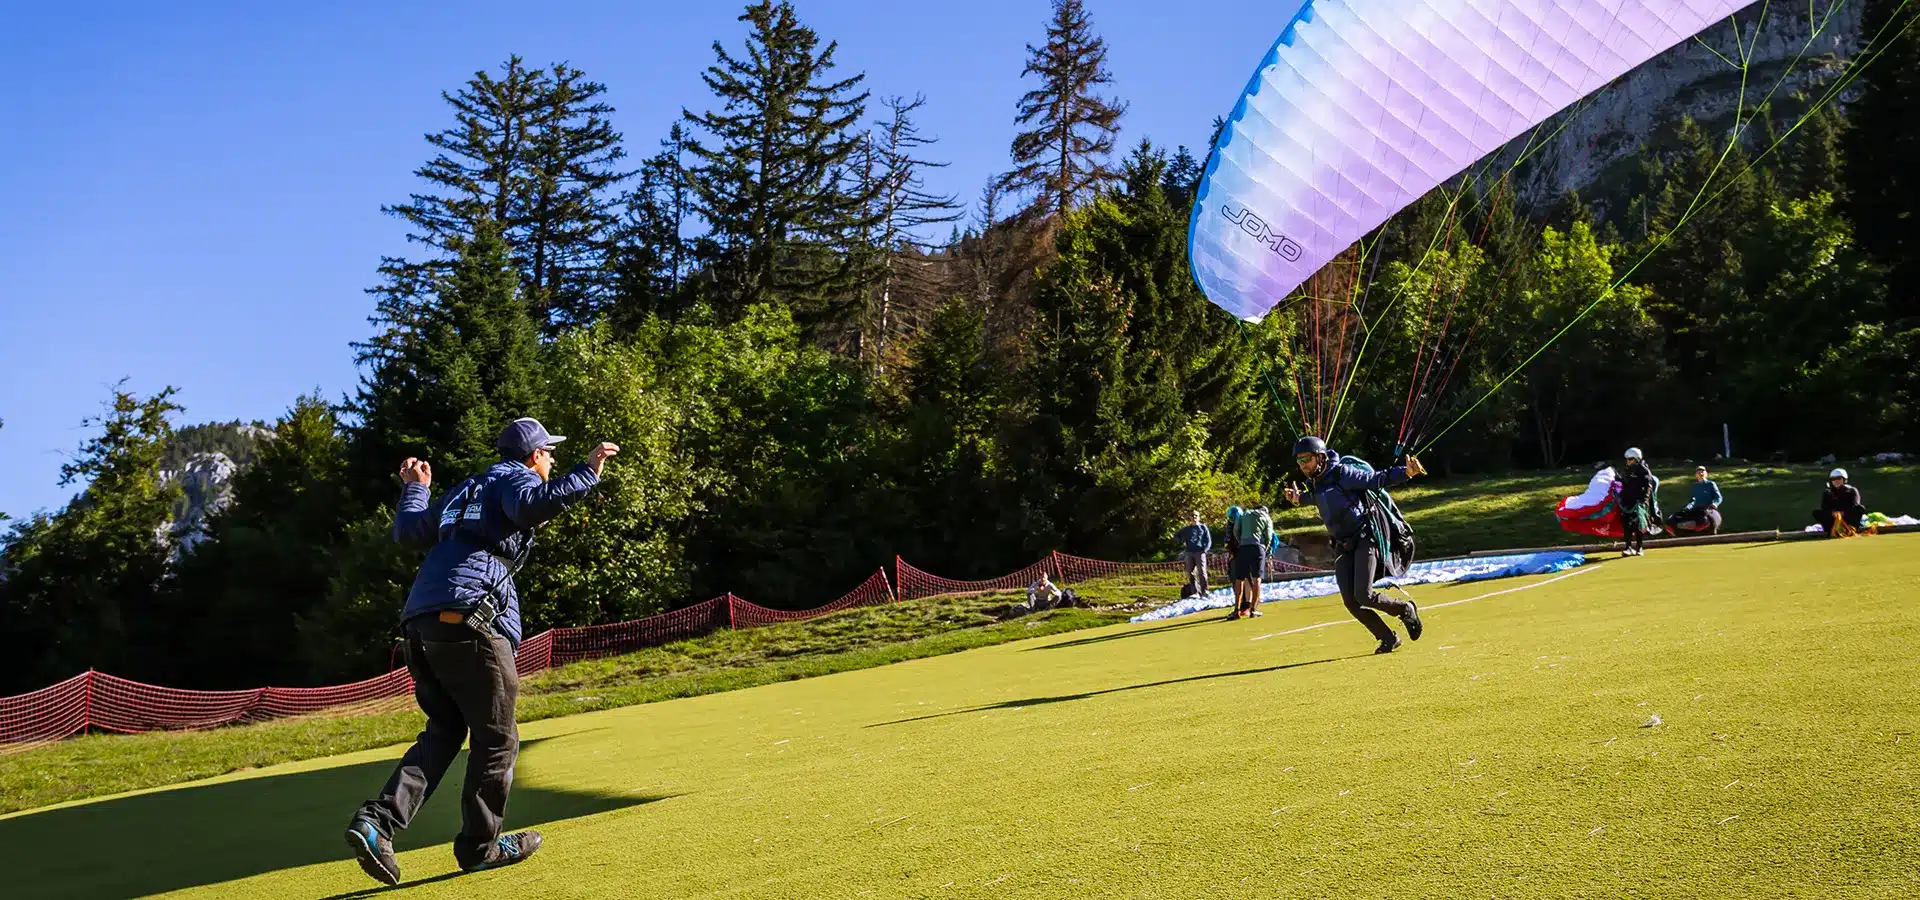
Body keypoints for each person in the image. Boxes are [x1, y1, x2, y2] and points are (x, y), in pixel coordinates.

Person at [345, 418, 619, 886]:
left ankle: (377, 824)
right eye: (549, 454)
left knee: (446, 729)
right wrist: (588, 471)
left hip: (422, 621)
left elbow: (410, 531)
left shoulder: (465, 490)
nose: (550, 461)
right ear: (534, 455)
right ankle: (480, 847)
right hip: (471, 618)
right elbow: (534, 506)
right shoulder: (518, 477)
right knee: (498, 737)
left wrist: (417, 487)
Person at [1283, 436, 1426, 654]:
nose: (1303, 466)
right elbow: (1315, 498)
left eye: (1306, 459)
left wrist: (1405, 472)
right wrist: (1298, 498)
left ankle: (1404, 609)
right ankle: (1388, 638)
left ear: (1320, 457)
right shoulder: (1316, 482)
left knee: (1364, 594)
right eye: (1300, 461)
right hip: (1342, 545)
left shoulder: (1342, 473)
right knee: (1351, 601)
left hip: (1364, 539)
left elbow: (1375, 479)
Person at [1228, 504, 1274, 619]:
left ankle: (1236, 610)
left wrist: (1241, 542)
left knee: (1240, 579)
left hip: (1243, 547)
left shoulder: (1244, 514)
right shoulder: (1266, 518)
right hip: (1258, 548)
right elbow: (1268, 536)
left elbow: (1236, 530)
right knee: (1257, 578)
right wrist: (1266, 551)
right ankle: (1253, 610)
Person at [1615, 448, 1660, 556]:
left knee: (1639, 525)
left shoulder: (1644, 471)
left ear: (1637, 459)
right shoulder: (1627, 470)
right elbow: (1624, 484)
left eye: (1630, 459)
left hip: (1639, 502)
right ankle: (1628, 547)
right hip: (1627, 501)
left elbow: (1648, 487)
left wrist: (1643, 500)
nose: (1628, 461)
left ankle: (1639, 548)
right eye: (1627, 459)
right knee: (1627, 524)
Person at [1667, 466, 1724, 535]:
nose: (1700, 473)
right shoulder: (1695, 486)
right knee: (1677, 517)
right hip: (1696, 509)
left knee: (1702, 517)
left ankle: (1703, 527)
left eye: (1702, 472)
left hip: (1708, 509)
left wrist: (1715, 504)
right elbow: (1693, 500)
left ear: (1706, 474)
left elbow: (1718, 497)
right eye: (1698, 472)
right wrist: (1687, 508)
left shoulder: (1711, 484)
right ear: (1696, 475)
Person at [1814, 468, 1866, 535]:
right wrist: (1833, 513)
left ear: (1844, 479)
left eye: (1838, 478)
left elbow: (1854, 505)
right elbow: (1824, 507)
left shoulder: (1851, 490)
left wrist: (1842, 513)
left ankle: (1853, 527)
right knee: (1816, 512)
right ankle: (1829, 529)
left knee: (1860, 508)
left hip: (1847, 516)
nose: (1836, 481)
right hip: (1833, 518)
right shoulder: (1827, 492)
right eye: (1833, 479)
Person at [1175, 510, 1212, 597]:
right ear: (1190, 518)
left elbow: (1208, 540)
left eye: (1196, 516)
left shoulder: (1203, 527)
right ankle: (1195, 591)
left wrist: (1205, 549)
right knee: (1190, 572)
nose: (1194, 517)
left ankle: (1204, 590)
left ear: (1199, 517)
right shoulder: (1186, 529)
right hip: (1189, 552)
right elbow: (1176, 535)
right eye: (1192, 516)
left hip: (1200, 552)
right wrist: (1181, 540)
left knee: (1202, 572)